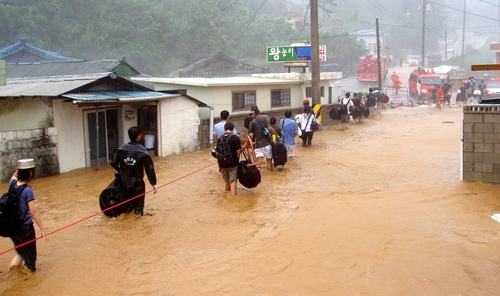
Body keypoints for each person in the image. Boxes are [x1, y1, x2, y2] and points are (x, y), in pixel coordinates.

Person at [8, 158, 48, 272]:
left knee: (21, 253)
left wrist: (22, 168)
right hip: (25, 229)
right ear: (30, 173)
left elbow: (14, 175)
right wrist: (42, 229)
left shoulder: (12, 184)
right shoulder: (27, 190)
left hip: (13, 229)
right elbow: (33, 211)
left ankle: (13, 272)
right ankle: (27, 280)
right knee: (30, 262)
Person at [109, 126, 157, 216]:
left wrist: (120, 170)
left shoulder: (121, 149)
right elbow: (149, 169)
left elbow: (112, 162)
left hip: (124, 184)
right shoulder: (143, 152)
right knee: (138, 210)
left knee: (128, 208)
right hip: (137, 185)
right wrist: (153, 183)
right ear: (139, 136)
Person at [217, 122, 247, 195]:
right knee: (233, 182)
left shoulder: (220, 139)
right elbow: (238, 152)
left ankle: (227, 198)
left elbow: (217, 154)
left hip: (223, 164)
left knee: (227, 181)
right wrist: (244, 147)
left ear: (224, 129)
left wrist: (219, 166)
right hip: (233, 164)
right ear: (233, 129)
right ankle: (232, 199)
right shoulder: (235, 137)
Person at [248, 106, 280, 171]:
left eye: (251, 114)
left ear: (254, 114)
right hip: (267, 143)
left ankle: (258, 177)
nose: (251, 116)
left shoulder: (252, 122)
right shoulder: (265, 117)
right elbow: (270, 128)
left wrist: (249, 143)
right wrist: (277, 135)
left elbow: (250, 135)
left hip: (258, 145)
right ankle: (270, 176)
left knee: (258, 162)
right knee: (269, 160)